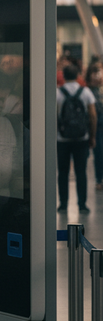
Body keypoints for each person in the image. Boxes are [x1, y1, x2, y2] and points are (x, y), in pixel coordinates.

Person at [57, 63, 97, 214]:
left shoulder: (57, 93)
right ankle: (82, 204)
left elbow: (54, 116)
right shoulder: (86, 92)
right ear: (78, 76)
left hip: (62, 140)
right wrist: (92, 136)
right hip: (82, 138)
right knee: (81, 172)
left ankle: (63, 204)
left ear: (64, 76)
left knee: (63, 172)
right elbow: (93, 116)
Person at [86, 61, 103, 192]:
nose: (98, 75)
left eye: (99, 72)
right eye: (95, 72)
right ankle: (99, 179)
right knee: (98, 153)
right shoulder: (87, 91)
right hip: (96, 127)